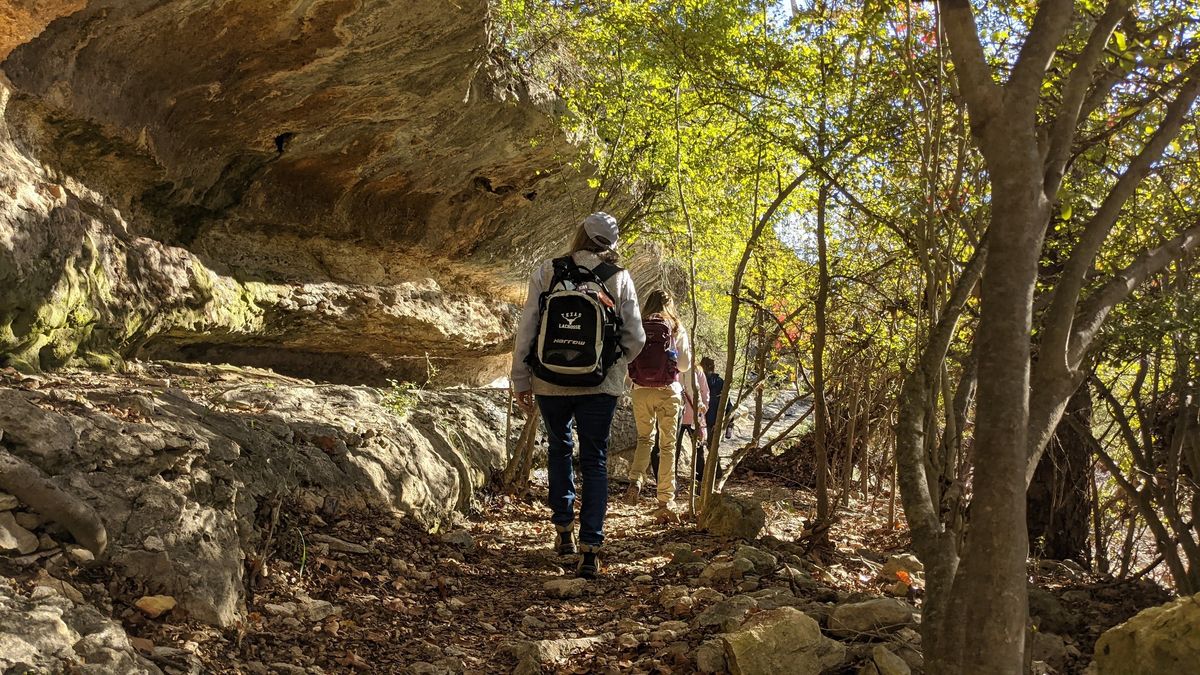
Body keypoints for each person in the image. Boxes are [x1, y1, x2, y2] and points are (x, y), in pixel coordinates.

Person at [511, 212, 645, 579]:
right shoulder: (618, 278)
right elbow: (636, 337)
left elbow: (528, 328)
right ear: (610, 246)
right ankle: (591, 548)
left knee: (559, 449)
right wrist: (612, 364)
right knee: (595, 460)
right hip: (599, 385)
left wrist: (520, 378)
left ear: (578, 234)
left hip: (550, 382)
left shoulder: (547, 271)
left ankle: (564, 532)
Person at [625, 289, 693, 516]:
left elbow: (628, 357)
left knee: (644, 438)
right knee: (667, 446)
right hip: (668, 390)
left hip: (640, 390)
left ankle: (635, 479)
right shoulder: (675, 327)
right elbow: (684, 365)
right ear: (670, 304)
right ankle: (665, 499)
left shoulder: (638, 324)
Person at [650, 362, 708, 496]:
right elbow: (705, 393)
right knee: (698, 450)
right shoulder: (697, 371)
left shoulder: (670, 366)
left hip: (673, 414)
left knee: (668, 449)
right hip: (694, 416)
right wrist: (702, 411)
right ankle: (700, 484)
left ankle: (667, 483)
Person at [699, 356, 734, 483]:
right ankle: (715, 473)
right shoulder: (721, 382)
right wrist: (726, 422)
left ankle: (704, 474)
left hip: (703, 420)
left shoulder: (700, 380)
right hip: (714, 420)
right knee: (712, 448)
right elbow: (727, 404)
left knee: (701, 448)